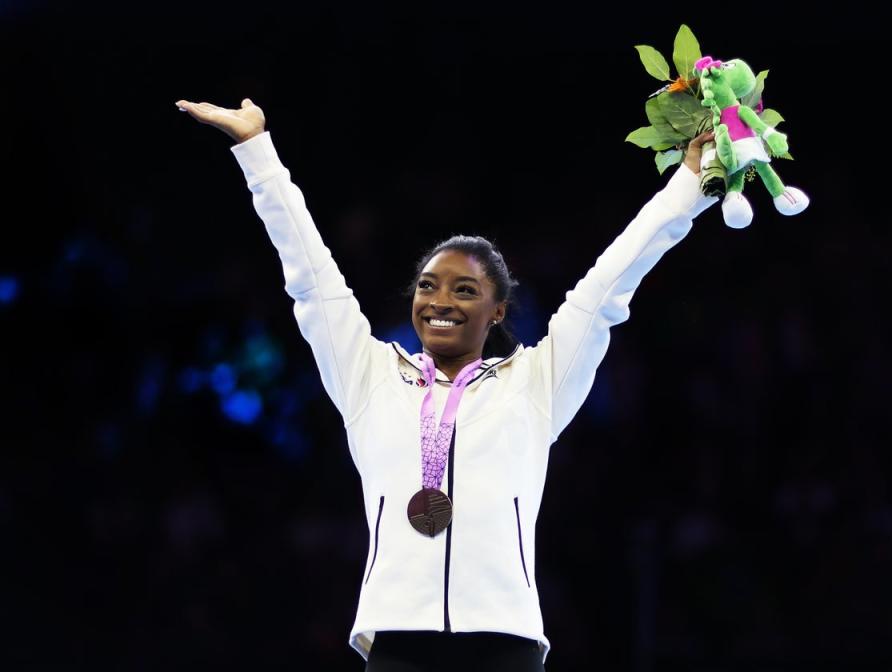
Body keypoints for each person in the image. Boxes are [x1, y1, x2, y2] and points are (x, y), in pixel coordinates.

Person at [176, 96, 718, 671]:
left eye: (464, 291)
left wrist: (688, 183)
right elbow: (311, 277)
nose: (440, 301)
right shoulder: (369, 376)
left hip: (503, 642)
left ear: (498, 312)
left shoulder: (535, 384)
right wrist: (259, 153)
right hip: (399, 644)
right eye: (428, 286)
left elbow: (609, 286)